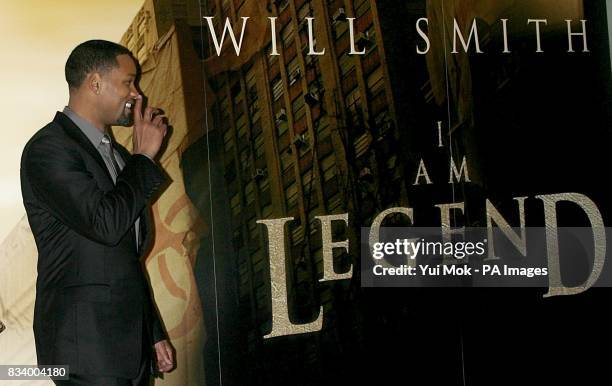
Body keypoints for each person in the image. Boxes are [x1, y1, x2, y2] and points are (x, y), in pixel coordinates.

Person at [20, 40, 174, 385]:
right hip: (85, 346)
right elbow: (104, 224)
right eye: (128, 82)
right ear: (95, 83)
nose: (137, 94)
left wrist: (151, 331)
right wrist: (144, 158)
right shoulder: (48, 149)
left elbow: (126, 257)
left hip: (127, 345)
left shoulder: (118, 155)